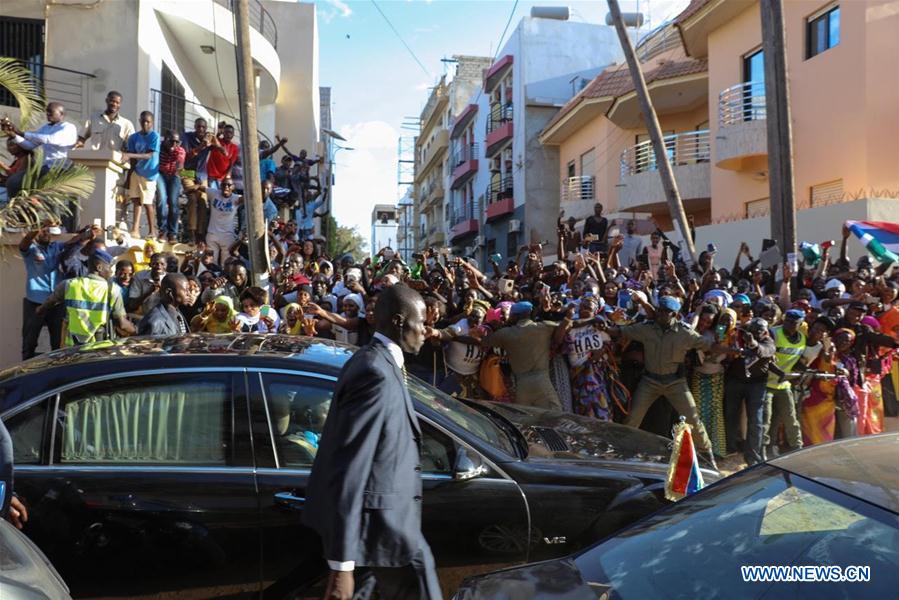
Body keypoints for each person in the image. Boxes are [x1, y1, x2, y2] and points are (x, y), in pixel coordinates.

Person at [303, 284, 441, 600]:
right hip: (383, 531)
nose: (425, 330)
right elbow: (349, 462)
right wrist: (341, 565)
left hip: (386, 531)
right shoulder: (374, 372)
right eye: (421, 322)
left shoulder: (378, 362)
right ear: (398, 321)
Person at [610, 295, 720, 464]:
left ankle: (707, 455)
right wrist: (604, 327)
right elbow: (622, 331)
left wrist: (730, 348)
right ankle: (622, 452)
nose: (661, 314)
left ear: (674, 314)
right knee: (633, 417)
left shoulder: (684, 332)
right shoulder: (646, 328)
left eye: (665, 312)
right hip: (650, 381)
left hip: (675, 383)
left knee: (693, 419)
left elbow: (707, 344)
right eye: (660, 310)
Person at [38, 249, 135, 345]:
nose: (111, 271)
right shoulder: (113, 290)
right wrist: (136, 331)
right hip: (99, 347)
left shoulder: (69, 284)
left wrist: (39, 310)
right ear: (99, 267)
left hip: (71, 347)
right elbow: (123, 324)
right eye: (109, 267)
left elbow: (49, 303)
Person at [481, 301, 565, 410]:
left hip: (521, 384)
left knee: (524, 415)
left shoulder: (505, 333)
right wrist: (569, 319)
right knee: (553, 414)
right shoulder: (544, 327)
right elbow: (564, 326)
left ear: (515, 316)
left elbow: (484, 342)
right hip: (542, 381)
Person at [1, 102, 79, 200]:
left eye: (51, 112)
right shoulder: (45, 128)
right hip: (45, 167)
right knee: (13, 182)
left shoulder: (68, 127)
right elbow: (29, 145)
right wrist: (14, 135)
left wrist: (21, 133)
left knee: (41, 189)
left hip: (59, 168)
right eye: (47, 111)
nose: (48, 114)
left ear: (61, 114)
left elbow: (50, 139)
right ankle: (18, 207)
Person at [18, 221, 67, 359]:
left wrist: (85, 234)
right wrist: (39, 225)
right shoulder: (31, 249)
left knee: (58, 344)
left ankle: (57, 369)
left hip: (56, 303)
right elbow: (25, 242)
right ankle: (25, 369)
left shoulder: (57, 247)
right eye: (42, 230)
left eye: (47, 230)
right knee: (29, 342)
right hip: (35, 302)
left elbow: (74, 243)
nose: (45, 233)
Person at [764, 309, 807, 458]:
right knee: (766, 419)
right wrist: (780, 373)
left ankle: (797, 448)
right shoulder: (773, 333)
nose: (788, 324)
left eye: (793, 322)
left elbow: (798, 360)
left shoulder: (802, 339)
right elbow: (765, 358)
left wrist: (802, 372)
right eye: (787, 320)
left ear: (800, 324)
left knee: (790, 418)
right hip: (767, 383)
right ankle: (763, 450)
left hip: (784, 385)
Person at [124, 111, 161, 239]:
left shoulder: (154, 136)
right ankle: (135, 229)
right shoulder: (133, 138)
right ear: (139, 121)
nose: (145, 124)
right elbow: (133, 160)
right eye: (143, 121)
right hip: (136, 172)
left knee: (147, 202)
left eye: (148, 122)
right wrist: (128, 178)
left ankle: (152, 231)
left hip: (149, 174)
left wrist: (129, 155)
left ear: (152, 123)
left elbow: (149, 155)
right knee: (136, 200)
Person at [181, 118, 212, 244]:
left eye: (203, 127)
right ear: (194, 126)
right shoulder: (186, 137)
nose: (200, 129)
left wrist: (216, 137)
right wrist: (201, 146)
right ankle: (192, 233)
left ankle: (200, 233)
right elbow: (187, 156)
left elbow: (223, 152)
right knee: (193, 199)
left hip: (202, 174)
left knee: (203, 201)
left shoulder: (209, 138)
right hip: (187, 172)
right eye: (198, 126)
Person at [203, 177, 243, 264]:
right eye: (224, 185)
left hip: (227, 236)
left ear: (233, 187)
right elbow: (200, 188)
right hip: (212, 234)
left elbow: (250, 197)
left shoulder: (236, 198)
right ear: (220, 186)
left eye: (229, 185)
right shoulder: (214, 193)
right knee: (211, 263)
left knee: (226, 264)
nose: (226, 187)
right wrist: (189, 189)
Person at [157, 130, 185, 243]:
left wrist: (177, 156)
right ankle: (162, 230)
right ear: (165, 139)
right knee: (162, 199)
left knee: (173, 202)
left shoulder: (180, 150)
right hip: (160, 174)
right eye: (171, 141)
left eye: (177, 142)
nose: (174, 144)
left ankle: (172, 233)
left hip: (174, 175)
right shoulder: (158, 148)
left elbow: (180, 166)